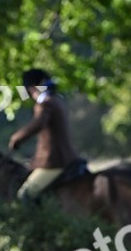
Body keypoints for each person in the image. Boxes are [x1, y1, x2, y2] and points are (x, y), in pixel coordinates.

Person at [7, 69, 80, 199]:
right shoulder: (57, 99)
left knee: (25, 195)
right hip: (67, 157)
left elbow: (38, 124)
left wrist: (16, 138)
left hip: (55, 161)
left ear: (32, 88)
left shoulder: (46, 103)